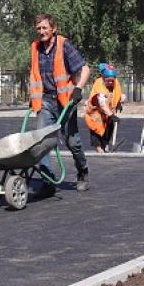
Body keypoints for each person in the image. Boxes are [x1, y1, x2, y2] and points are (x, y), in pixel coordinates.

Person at [29, 13, 91, 191]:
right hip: (46, 101)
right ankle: (47, 181)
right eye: (39, 28)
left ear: (53, 29)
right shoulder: (35, 48)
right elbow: (35, 74)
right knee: (42, 142)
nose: (41, 32)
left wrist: (78, 89)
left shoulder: (64, 45)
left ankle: (82, 171)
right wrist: (34, 97)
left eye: (45, 28)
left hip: (65, 102)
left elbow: (85, 69)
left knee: (73, 142)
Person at [84, 63, 126, 153]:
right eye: (108, 81)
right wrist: (111, 115)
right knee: (97, 133)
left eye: (112, 81)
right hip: (96, 114)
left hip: (108, 114)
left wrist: (120, 101)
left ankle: (105, 147)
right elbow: (102, 104)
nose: (110, 83)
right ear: (103, 78)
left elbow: (120, 94)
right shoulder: (99, 87)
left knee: (108, 130)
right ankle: (100, 151)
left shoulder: (115, 82)